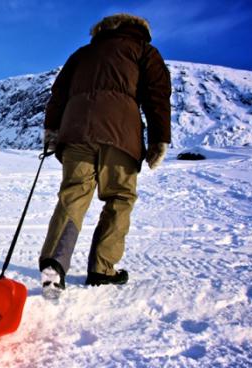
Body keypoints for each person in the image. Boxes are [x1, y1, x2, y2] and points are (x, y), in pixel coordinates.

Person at [39, 13, 171, 293]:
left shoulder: (82, 54)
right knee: (119, 197)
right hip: (120, 136)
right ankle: (102, 269)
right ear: (138, 30)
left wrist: (52, 131)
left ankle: (55, 263)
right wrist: (159, 140)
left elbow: (58, 95)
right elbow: (157, 98)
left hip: (76, 134)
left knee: (74, 194)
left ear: (101, 31)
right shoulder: (144, 51)